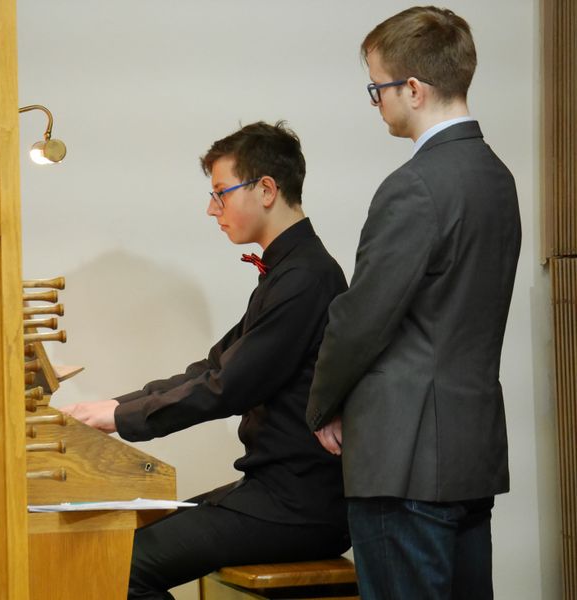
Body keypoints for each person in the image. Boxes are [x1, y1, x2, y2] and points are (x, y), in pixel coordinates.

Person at [62, 121, 350, 600]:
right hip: (275, 492)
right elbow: (211, 368)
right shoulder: (288, 271)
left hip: (300, 505)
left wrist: (120, 418)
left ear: (266, 190)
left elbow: (228, 387)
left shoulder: (305, 277)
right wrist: (113, 406)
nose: (211, 208)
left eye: (220, 193)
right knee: (119, 545)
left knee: (119, 569)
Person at [306, 7, 522, 600]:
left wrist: (322, 403)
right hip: (470, 450)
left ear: (414, 89)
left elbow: (361, 318)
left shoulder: (415, 185)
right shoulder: (497, 178)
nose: (376, 101)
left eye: (377, 88)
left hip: (402, 456)